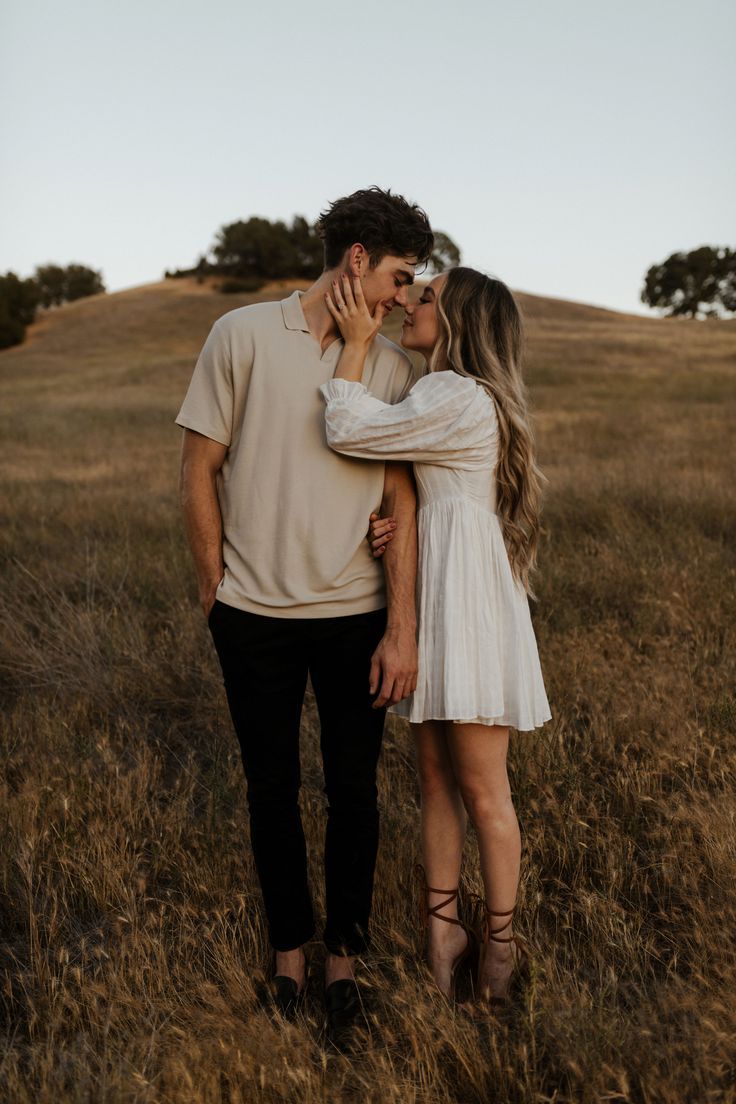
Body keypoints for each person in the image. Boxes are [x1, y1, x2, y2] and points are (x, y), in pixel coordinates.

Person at [175, 187, 433, 1045]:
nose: (403, 297)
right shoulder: (240, 335)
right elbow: (199, 466)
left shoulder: (394, 368)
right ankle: (289, 956)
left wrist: (401, 627)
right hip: (252, 614)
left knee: (355, 794)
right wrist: (215, 586)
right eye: (399, 277)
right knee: (271, 790)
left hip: (356, 614)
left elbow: (401, 498)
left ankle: (343, 966)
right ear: (357, 259)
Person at [320, 267, 551, 1005]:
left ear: (457, 323)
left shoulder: (455, 394)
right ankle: (443, 932)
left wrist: (355, 345)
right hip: (446, 590)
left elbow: (347, 427)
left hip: (468, 607)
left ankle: (501, 948)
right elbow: (425, 487)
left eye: (425, 298)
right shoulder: (445, 394)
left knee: (482, 791)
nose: (409, 306)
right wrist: (396, 529)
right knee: (438, 785)